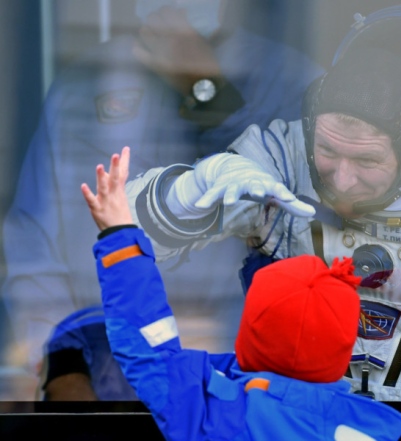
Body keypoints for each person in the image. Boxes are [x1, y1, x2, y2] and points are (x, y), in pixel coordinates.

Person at [122, 5, 401, 402]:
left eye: (366, 160)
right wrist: (190, 190)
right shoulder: (281, 159)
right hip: (297, 415)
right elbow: (127, 233)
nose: (341, 179)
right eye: (328, 152)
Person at [0, 0, 323, 400]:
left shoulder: (289, 79)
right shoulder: (88, 81)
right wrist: (62, 366)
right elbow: (36, 240)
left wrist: (206, 90)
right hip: (109, 385)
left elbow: (298, 223)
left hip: (239, 388)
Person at [80, 147, 401, 441]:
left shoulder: (216, 417)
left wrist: (119, 234)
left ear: (250, 330)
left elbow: (148, 349)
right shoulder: (376, 428)